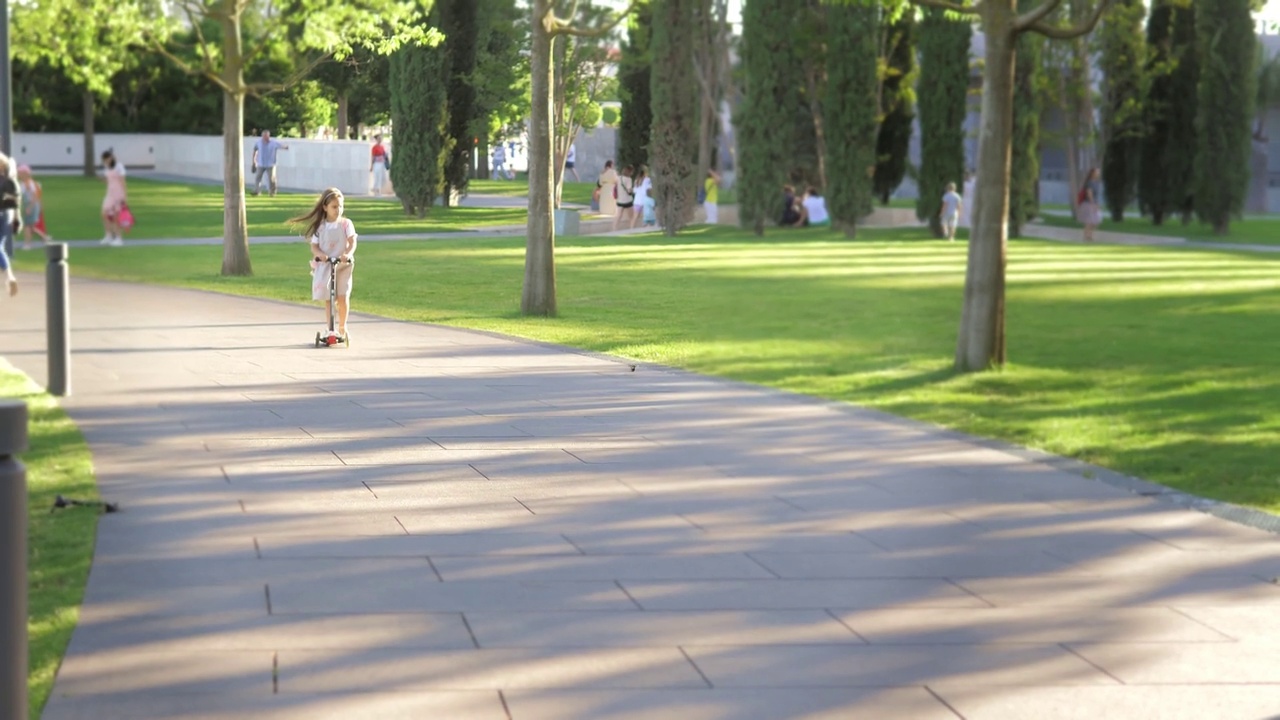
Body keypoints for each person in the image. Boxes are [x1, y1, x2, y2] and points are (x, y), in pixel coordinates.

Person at [289, 188, 358, 339]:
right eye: (334, 206)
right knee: (329, 298)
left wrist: (348, 254)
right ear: (325, 207)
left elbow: (352, 242)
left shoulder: (346, 224)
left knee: (342, 296)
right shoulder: (321, 226)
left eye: (340, 206)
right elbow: (314, 245)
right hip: (327, 265)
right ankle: (330, 327)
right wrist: (320, 254)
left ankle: (342, 326)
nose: (338, 210)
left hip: (342, 264)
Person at [17, 165, 52, 248]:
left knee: (27, 226)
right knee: (31, 227)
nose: (19, 175)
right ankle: (44, 238)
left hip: (31, 205)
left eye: (20, 173)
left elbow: (35, 196)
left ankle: (27, 244)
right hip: (29, 205)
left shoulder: (30, 183)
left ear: (25, 173)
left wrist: (30, 207)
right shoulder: (23, 184)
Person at [99, 149, 128, 247]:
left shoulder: (119, 166)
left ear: (111, 158)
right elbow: (108, 181)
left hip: (118, 193)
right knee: (104, 213)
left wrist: (124, 196)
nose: (105, 162)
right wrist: (102, 180)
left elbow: (122, 181)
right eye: (104, 160)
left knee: (116, 216)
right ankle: (109, 235)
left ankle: (119, 238)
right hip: (110, 193)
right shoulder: (107, 168)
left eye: (106, 159)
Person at [251, 129, 290, 197]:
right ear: (262, 136)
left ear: (269, 136)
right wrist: (254, 161)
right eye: (264, 136)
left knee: (272, 179)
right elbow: (255, 150)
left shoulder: (273, 143)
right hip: (261, 163)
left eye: (266, 136)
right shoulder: (258, 142)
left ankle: (272, 192)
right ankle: (257, 191)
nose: (265, 137)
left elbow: (282, 146)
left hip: (270, 164)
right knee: (258, 178)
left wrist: (286, 147)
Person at [1077, 167, 1102, 242]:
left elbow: (1095, 195)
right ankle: (1086, 236)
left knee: (1096, 220)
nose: (1098, 173)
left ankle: (1090, 235)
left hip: (1094, 203)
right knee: (1089, 221)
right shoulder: (1090, 182)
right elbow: (1089, 193)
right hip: (1088, 203)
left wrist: (1097, 204)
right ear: (1093, 173)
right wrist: (1093, 203)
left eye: (1099, 172)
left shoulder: (1096, 182)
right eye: (1097, 172)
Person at [0, 154, 18, 259]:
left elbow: (13, 201)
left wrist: (16, 217)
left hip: (4, 213)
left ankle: (8, 273)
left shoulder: (7, 182)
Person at [613, 165, 636, 231]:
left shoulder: (619, 178)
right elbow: (629, 190)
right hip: (627, 200)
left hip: (619, 200)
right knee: (631, 217)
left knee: (618, 216)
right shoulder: (629, 179)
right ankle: (631, 229)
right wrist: (633, 190)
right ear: (630, 172)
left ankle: (614, 228)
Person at [630, 165, 651, 229]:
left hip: (637, 200)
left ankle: (631, 229)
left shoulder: (636, 180)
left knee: (635, 217)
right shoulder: (647, 180)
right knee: (645, 216)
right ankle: (645, 229)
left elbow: (634, 191)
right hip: (644, 200)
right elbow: (649, 189)